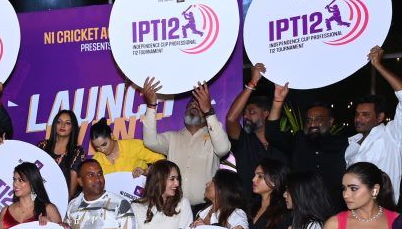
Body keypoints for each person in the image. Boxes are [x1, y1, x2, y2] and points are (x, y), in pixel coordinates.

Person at [140, 77, 231, 211]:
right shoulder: (173, 137)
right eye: (190, 106)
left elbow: (223, 149)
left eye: (198, 106)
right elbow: (150, 141)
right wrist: (151, 106)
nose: (193, 106)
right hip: (174, 207)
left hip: (205, 209)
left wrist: (208, 111)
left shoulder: (214, 137)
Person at [345, 46, 402, 202]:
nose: (358, 119)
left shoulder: (393, 135)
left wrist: (378, 65)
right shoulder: (352, 144)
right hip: (355, 211)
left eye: (365, 115)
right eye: (357, 114)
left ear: (380, 117)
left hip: (384, 211)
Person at [265, 82, 348, 207]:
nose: (312, 124)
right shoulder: (299, 141)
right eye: (308, 120)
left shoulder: (343, 144)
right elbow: (271, 134)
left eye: (319, 120)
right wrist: (278, 101)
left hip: (333, 211)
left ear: (330, 122)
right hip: (302, 211)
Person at [225, 63, 288, 197]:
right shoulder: (243, 141)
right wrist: (252, 82)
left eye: (252, 112)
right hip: (249, 206)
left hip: (281, 207)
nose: (246, 116)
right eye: (244, 113)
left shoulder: (282, 142)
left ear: (266, 113)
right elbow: (231, 119)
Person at [89, 119, 164, 178]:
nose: (102, 150)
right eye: (97, 147)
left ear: (111, 136)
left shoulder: (133, 146)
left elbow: (161, 160)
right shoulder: (97, 159)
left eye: (104, 144)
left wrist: (145, 171)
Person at [38, 109, 85, 196]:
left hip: (63, 198)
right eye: (59, 122)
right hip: (39, 196)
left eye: (68, 123)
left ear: (73, 127)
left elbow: (71, 189)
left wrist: (63, 202)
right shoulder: (42, 146)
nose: (62, 125)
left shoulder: (77, 152)